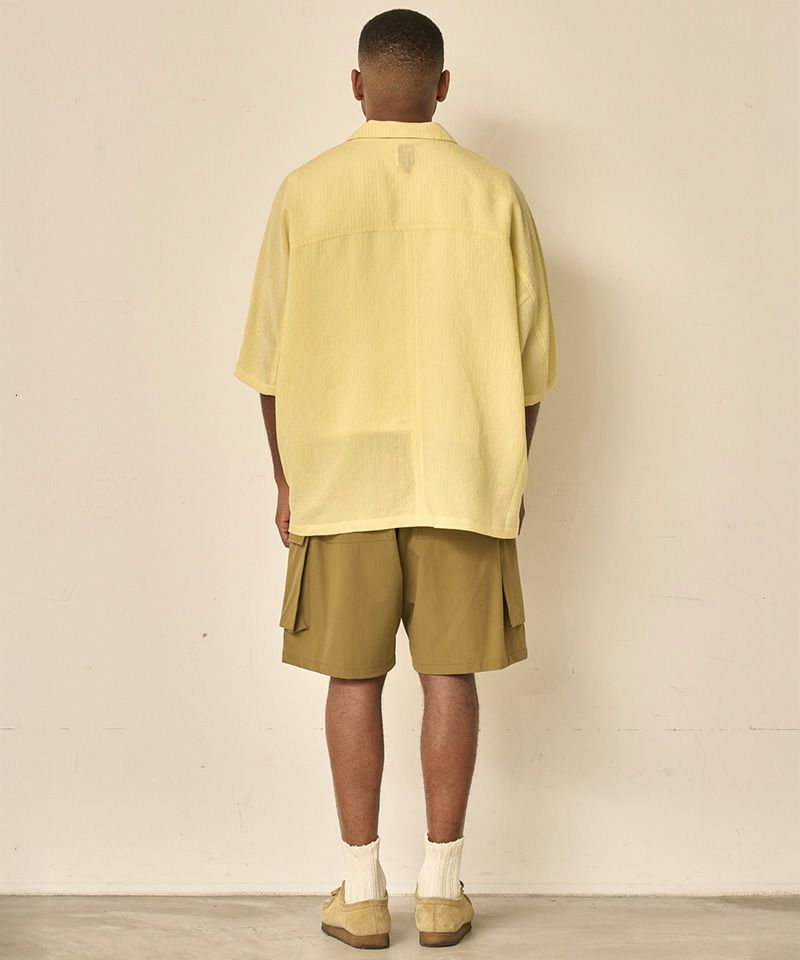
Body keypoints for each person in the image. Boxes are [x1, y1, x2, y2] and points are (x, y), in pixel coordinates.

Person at [234, 7, 558, 949]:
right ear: (444, 87)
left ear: (357, 85)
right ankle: (444, 893)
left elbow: (269, 361)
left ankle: (362, 890)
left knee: (353, 677)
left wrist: (287, 479)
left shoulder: (306, 192)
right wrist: (508, 469)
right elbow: (533, 365)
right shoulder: (495, 193)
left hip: (342, 472)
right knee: (450, 674)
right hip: (463, 467)